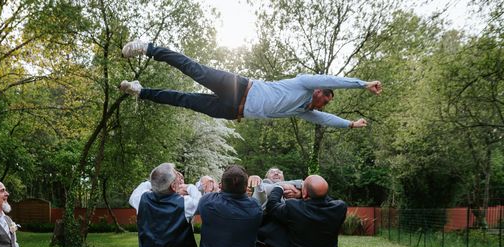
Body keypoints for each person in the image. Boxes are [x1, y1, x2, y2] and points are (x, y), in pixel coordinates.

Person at [120, 41, 382, 126]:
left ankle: (140, 91)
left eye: (324, 104)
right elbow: (331, 79)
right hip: (239, 87)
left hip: (234, 111)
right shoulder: (304, 83)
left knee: (185, 100)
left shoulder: (303, 110)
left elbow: (325, 120)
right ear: (318, 91)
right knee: (194, 70)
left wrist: (349, 123)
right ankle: (148, 48)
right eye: (324, 100)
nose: (321, 105)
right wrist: (362, 83)